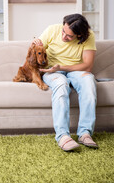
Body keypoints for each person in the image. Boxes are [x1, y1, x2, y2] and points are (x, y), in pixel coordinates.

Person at [33, 13, 98, 152]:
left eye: (69, 36)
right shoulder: (52, 29)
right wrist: (35, 45)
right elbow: (35, 51)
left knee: (89, 82)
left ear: (79, 36)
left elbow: (87, 65)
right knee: (61, 84)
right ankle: (63, 136)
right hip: (52, 71)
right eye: (63, 31)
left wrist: (62, 67)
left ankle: (85, 133)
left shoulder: (89, 36)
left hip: (75, 70)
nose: (64, 37)